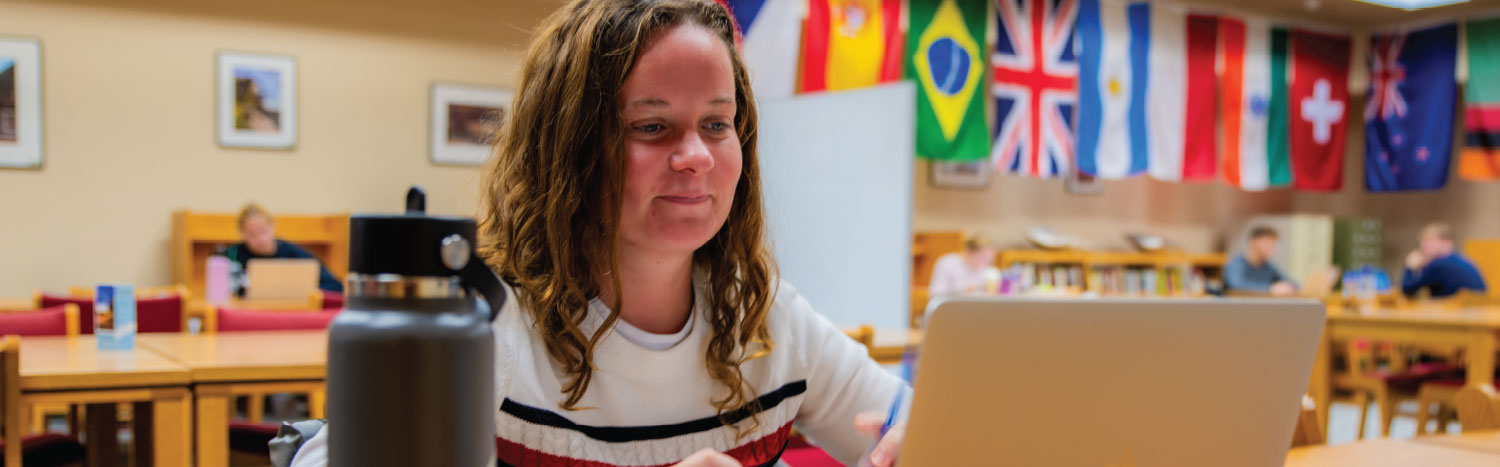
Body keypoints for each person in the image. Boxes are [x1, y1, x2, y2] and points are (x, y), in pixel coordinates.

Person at [289, 1, 908, 466]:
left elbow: (908, 421)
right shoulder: (489, 329)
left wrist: (923, 440)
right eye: (651, 127)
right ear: (569, 151)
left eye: (718, 123)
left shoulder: (764, 315)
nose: (696, 155)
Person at [230, 203, 344, 296]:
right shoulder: (232, 255)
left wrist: (306, 292)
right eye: (252, 234)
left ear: (273, 226)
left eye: (263, 231)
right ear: (242, 234)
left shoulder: (294, 253)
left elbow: (335, 286)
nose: (260, 239)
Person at [1402, 223, 1487, 298]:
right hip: (1473, 312)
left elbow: (1408, 289)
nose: (1423, 247)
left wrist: (1410, 267)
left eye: (1429, 242)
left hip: (1455, 314)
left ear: (1447, 242)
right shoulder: (1464, 260)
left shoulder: (1439, 265)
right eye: (1422, 242)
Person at [1225, 226, 1297, 296]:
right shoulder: (1237, 263)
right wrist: (1270, 288)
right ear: (1254, 242)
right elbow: (1236, 285)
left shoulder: (1268, 266)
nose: (1271, 249)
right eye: (1268, 244)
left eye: (1273, 245)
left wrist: (1287, 287)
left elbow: (1293, 284)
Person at [928, 235, 998, 295]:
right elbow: (936, 294)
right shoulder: (947, 263)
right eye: (984, 258)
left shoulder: (987, 270)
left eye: (990, 259)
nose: (986, 263)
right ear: (970, 252)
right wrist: (963, 292)